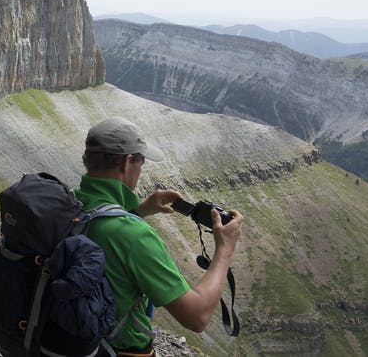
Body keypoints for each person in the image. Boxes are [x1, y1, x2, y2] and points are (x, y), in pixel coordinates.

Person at [74, 117, 244, 356]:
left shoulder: (69, 202)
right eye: (141, 161)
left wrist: (139, 211)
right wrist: (225, 249)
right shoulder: (135, 237)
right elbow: (197, 316)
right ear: (127, 162)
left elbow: (98, 229)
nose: (141, 168)